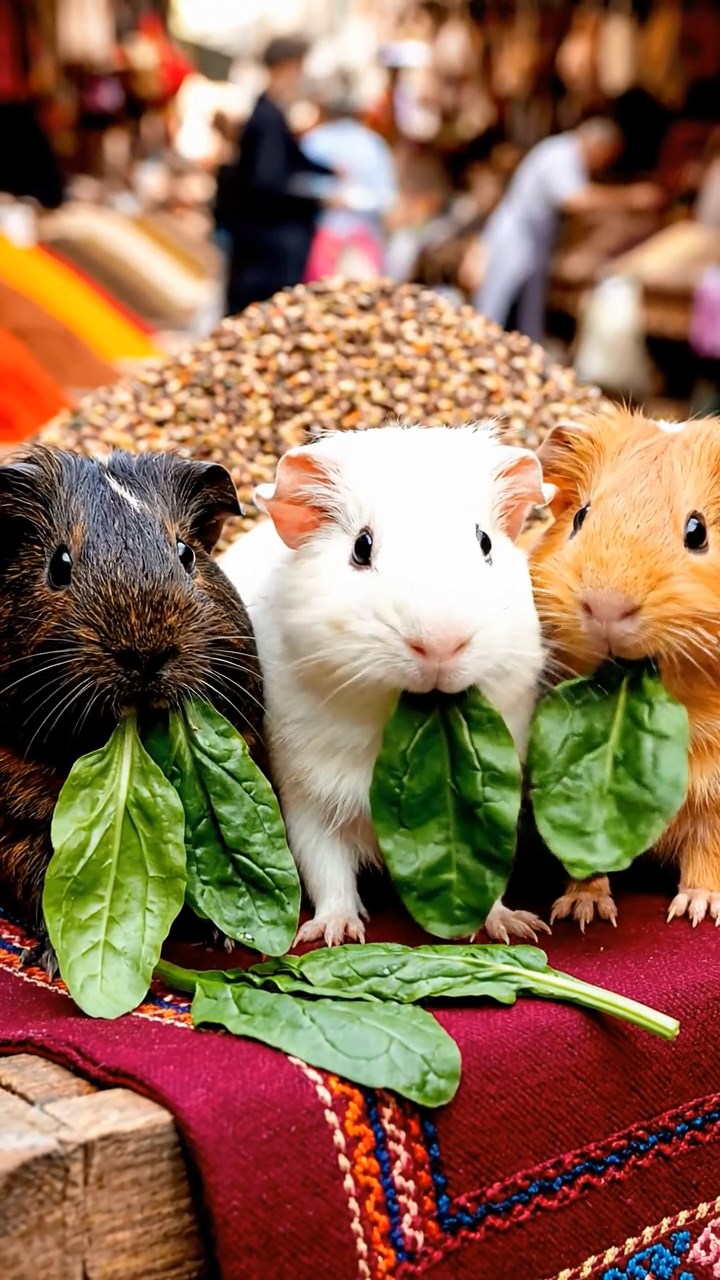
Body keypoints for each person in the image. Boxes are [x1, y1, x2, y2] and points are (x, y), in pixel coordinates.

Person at [474, 118, 661, 342]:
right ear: (598, 146)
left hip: (535, 239)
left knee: (527, 313)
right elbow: (576, 200)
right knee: (496, 302)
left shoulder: (568, 155)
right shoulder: (561, 154)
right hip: (517, 236)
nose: (603, 164)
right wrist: (631, 197)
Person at [220, 36, 337, 315]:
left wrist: (328, 171)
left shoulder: (269, 114)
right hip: (265, 249)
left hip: (258, 245)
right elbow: (267, 182)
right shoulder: (267, 118)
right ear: (287, 68)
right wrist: (316, 201)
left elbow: (290, 161)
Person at [300, 77, 398, 280]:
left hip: (356, 241)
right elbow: (387, 197)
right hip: (324, 240)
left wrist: (346, 201)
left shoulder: (315, 140)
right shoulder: (372, 144)